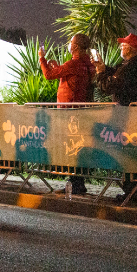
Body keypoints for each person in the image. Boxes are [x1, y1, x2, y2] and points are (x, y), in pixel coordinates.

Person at [94, 33, 137, 203]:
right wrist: (105, 69)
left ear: (132, 48)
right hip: (131, 115)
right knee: (128, 154)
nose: (120, 47)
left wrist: (100, 73)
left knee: (130, 154)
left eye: (124, 45)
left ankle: (132, 192)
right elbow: (116, 73)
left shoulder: (133, 67)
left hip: (131, 117)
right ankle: (130, 191)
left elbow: (109, 86)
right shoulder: (133, 64)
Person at [39, 34, 95, 195]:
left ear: (76, 47)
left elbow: (48, 75)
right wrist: (58, 67)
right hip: (81, 109)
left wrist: (42, 59)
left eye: (71, 43)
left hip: (70, 111)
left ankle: (75, 183)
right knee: (78, 147)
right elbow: (69, 79)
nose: (69, 45)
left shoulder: (74, 63)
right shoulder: (87, 64)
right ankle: (77, 182)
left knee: (73, 149)